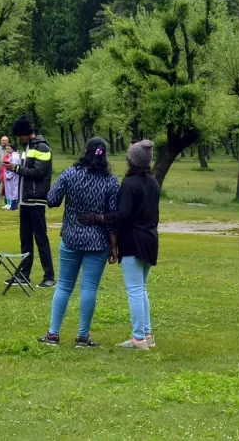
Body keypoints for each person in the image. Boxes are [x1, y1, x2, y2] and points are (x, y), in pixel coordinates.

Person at [38, 138, 119, 348]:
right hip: (98, 242)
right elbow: (113, 217)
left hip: (71, 238)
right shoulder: (111, 180)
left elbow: (53, 200)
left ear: (85, 151)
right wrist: (113, 245)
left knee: (64, 286)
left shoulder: (70, 174)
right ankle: (83, 337)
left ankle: (53, 334)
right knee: (89, 288)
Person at [79, 140, 159, 350]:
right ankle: (147, 334)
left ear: (132, 161)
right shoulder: (153, 182)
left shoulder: (130, 184)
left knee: (134, 290)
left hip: (133, 240)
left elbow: (122, 213)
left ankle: (138, 338)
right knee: (141, 289)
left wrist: (99, 217)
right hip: (150, 239)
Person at [6, 116, 56, 288]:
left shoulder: (42, 147)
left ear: (27, 133)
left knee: (41, 239)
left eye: (19, 136)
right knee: (25, 239)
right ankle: (23, 275)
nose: (18, 139)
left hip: (36, 199)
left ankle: (49, 276)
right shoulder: (27, 147)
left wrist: (16, 169)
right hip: (25, 200)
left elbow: (39, 173)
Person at [4, 146, 20, 210]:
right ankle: (10, 205)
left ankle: (14, 205)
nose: (8, 150)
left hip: (13, 177)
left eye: (9, 149)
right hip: (9, 176)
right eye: (7, 149)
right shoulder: (11, 156)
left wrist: (8, 176)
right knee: (10, 191)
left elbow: (14, 168)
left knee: (14, 190)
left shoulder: (15, 157)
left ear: (13, 149)